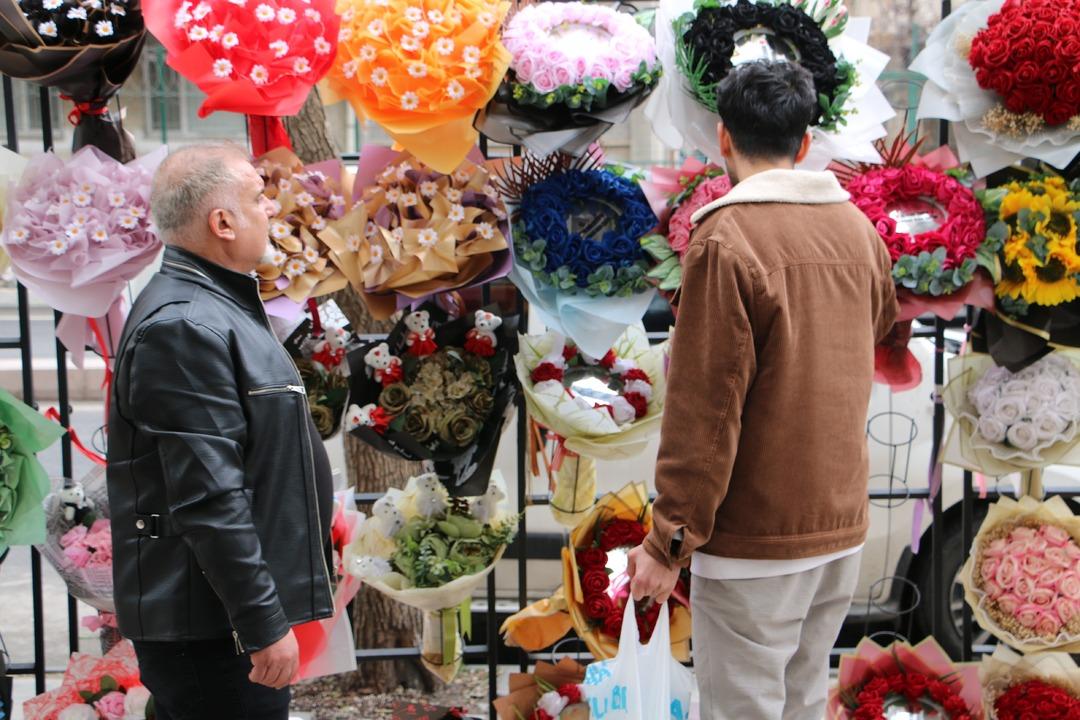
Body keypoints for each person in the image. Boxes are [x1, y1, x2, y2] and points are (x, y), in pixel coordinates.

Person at [627, 61, 899, 720]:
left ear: (722, 137)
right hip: (839, 524)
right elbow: (883, 326)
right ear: (805, 144)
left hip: (756, 537)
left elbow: (706, 411)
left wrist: (668, 541)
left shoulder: (726, 237)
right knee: (804, 700)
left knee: (741, 709)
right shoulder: (858, 230)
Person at [107, 144, 335, 720]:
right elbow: (209, 496)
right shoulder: (185, 324)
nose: (271, 212)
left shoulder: (216, 309)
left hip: (221, 622)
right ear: (223, 222)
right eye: (259, 199)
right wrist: (260, 624)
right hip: (211, 629)